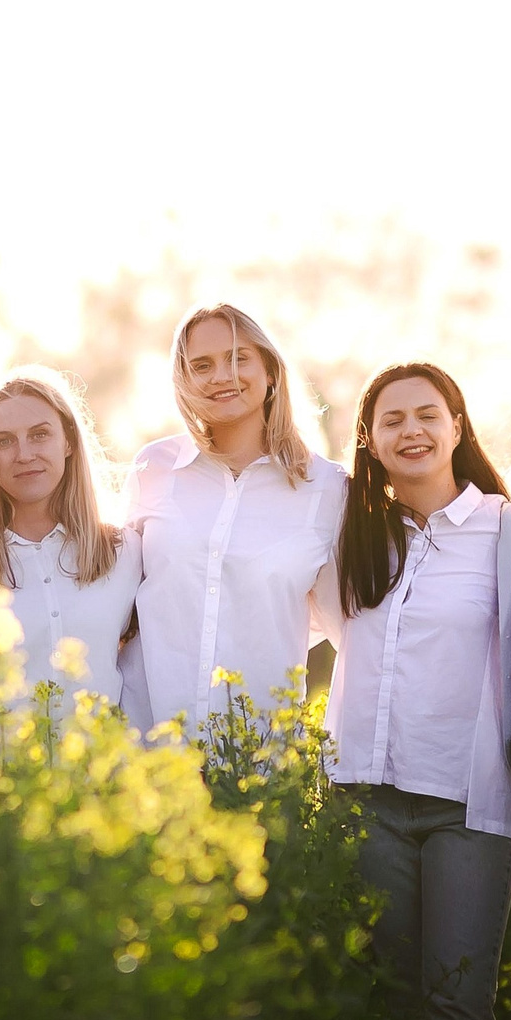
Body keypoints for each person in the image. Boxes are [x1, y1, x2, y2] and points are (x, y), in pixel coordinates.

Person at [322, 362, 511, 1020]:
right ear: (367, 440)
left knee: (456, 996)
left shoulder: (507, 530)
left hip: (467, 802)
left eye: (425, 415)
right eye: (390, 418)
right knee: (384, 988)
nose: (409, 430)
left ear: (456, 425)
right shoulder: (351, 536)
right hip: (366, 794)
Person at [128, 303, 347, 731]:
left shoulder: (327, 487)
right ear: (184, 380)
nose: (221, 376)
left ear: (270, 371)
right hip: (148, 746)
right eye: (202, 365)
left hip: (260, 757)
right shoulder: (152, 468)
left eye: (237, 358)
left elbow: (342, 627)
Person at [0, 367, 141, 710]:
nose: (24, 454)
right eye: (4, 441)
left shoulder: (125, 552)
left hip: (103, 761)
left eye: (40, 434)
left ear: (69, 441)